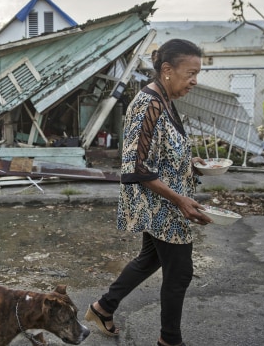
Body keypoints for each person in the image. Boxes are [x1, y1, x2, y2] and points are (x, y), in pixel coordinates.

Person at [84, 38, 212, 346]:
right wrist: (179, 199)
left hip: (166, 201)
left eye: (198, 73)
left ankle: (103, 308)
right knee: (180, 272)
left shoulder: (165, 100)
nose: (194, 81)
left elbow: (158, 153)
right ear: (167, 70)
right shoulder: (147, 104)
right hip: (163, 206)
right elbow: (135, 168)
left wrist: (190, 161)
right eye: (190, 73)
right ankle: (170, 340)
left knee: (149, 259)